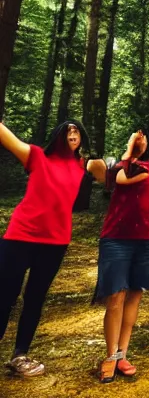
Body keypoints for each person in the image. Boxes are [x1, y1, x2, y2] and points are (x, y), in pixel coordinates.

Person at [0, 120, 106, 376]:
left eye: (77, 130)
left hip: (55, 243)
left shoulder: (83, 165)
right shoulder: (36, 156)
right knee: (5, 295)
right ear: (57, 134)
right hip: (20, 237)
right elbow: (6, 136)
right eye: (68, 129)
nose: (73, 133)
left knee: (35, 299)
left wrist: (107, 162)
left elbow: (108, 176)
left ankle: (20, 355)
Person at [94, 129, 149, 383]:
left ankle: (122, 353)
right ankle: (109, 357)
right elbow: (118, 179)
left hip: (147, 241)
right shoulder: (122, 168)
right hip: (117, 239)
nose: (139, 139)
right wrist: (129, 149)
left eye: (142, 138)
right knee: (115, 297)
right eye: (134, 137)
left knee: (134, 296)